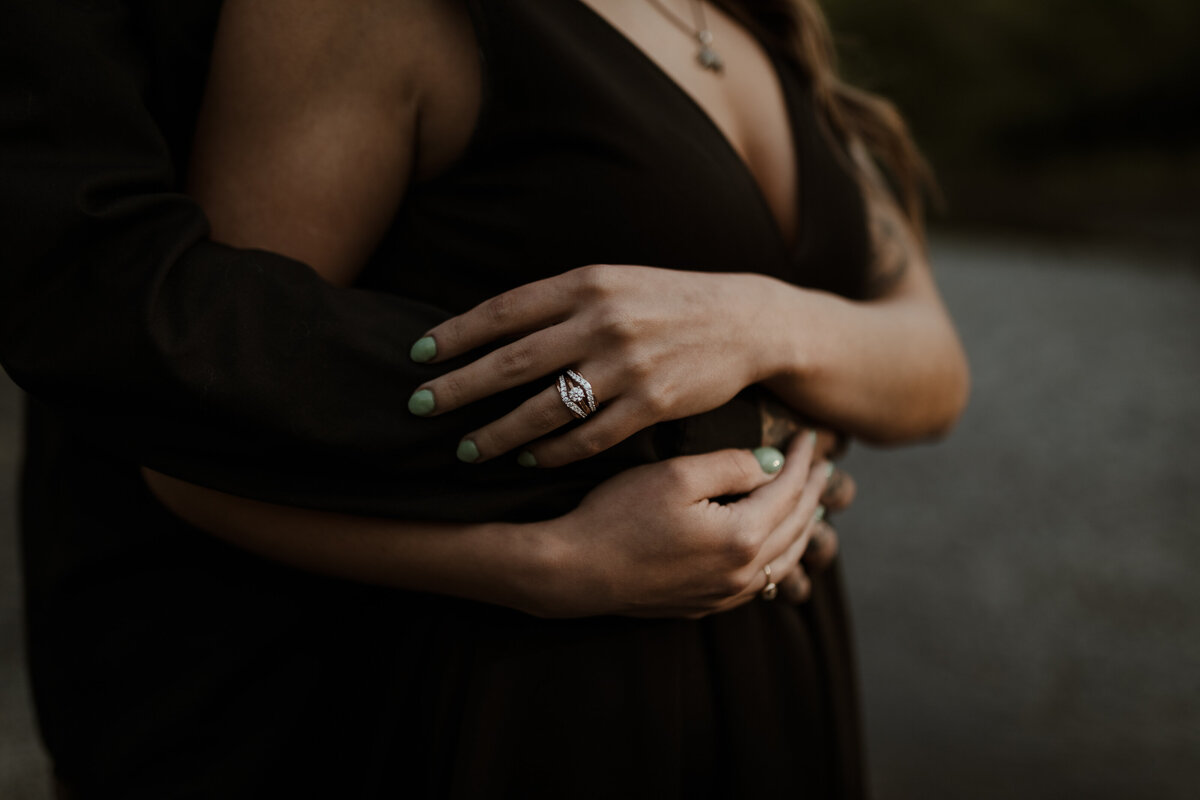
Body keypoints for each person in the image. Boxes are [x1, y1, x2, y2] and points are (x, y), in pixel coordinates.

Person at [3, 0, 967, 798]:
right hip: (528, 700)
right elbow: (191, 441)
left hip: (774, 681)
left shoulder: (754, 20)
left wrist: (754, 324)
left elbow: (934, 370)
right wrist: (542, 567)